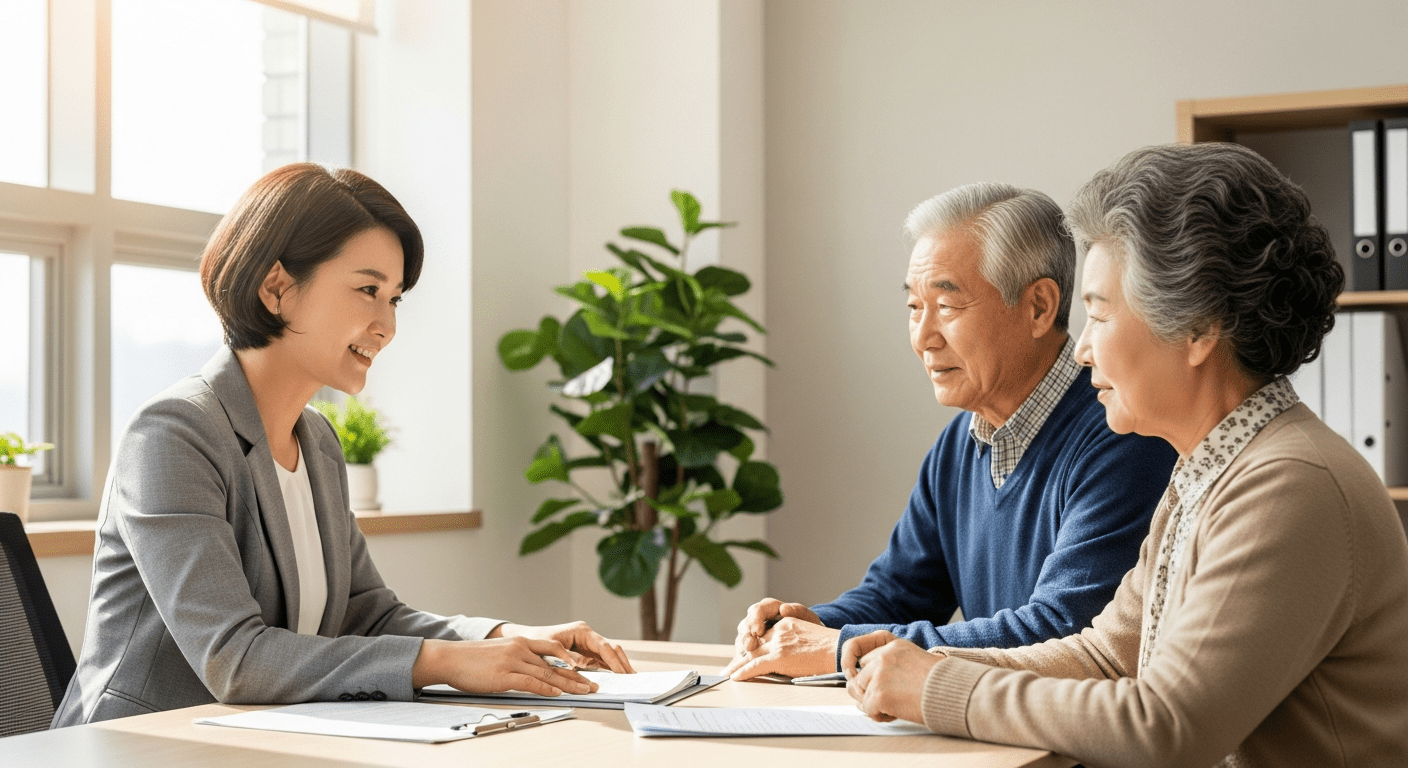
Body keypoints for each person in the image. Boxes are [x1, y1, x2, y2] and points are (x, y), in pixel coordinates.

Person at [844, 143, 1408, 767]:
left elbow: (1166, 727)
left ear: (1197, 328)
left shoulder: (1289, 486)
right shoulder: (1208, 470)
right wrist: (924, 664)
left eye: (1100, 315)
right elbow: (1107, 656)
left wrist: (938, 688)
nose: (1081, 348)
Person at [53, 164, 634, 727]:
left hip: (266, 741)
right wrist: (447, 663)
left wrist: (504, 639)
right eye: (367, 290)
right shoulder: (174, 433)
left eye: (394, 298)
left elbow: (368, 614)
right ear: (277, 288)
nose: (387, 325)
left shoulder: (318, 442)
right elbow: (233, 658)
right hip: (141, 745)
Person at [725, 184, 1177, 680]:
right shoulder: (959, 443)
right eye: (914, 307)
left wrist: (840, 646)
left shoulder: (1122, 436)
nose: (923, 338)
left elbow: (1062, 633)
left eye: (946, 306)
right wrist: (806, 625)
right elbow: (897, 594)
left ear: (1039, 307)